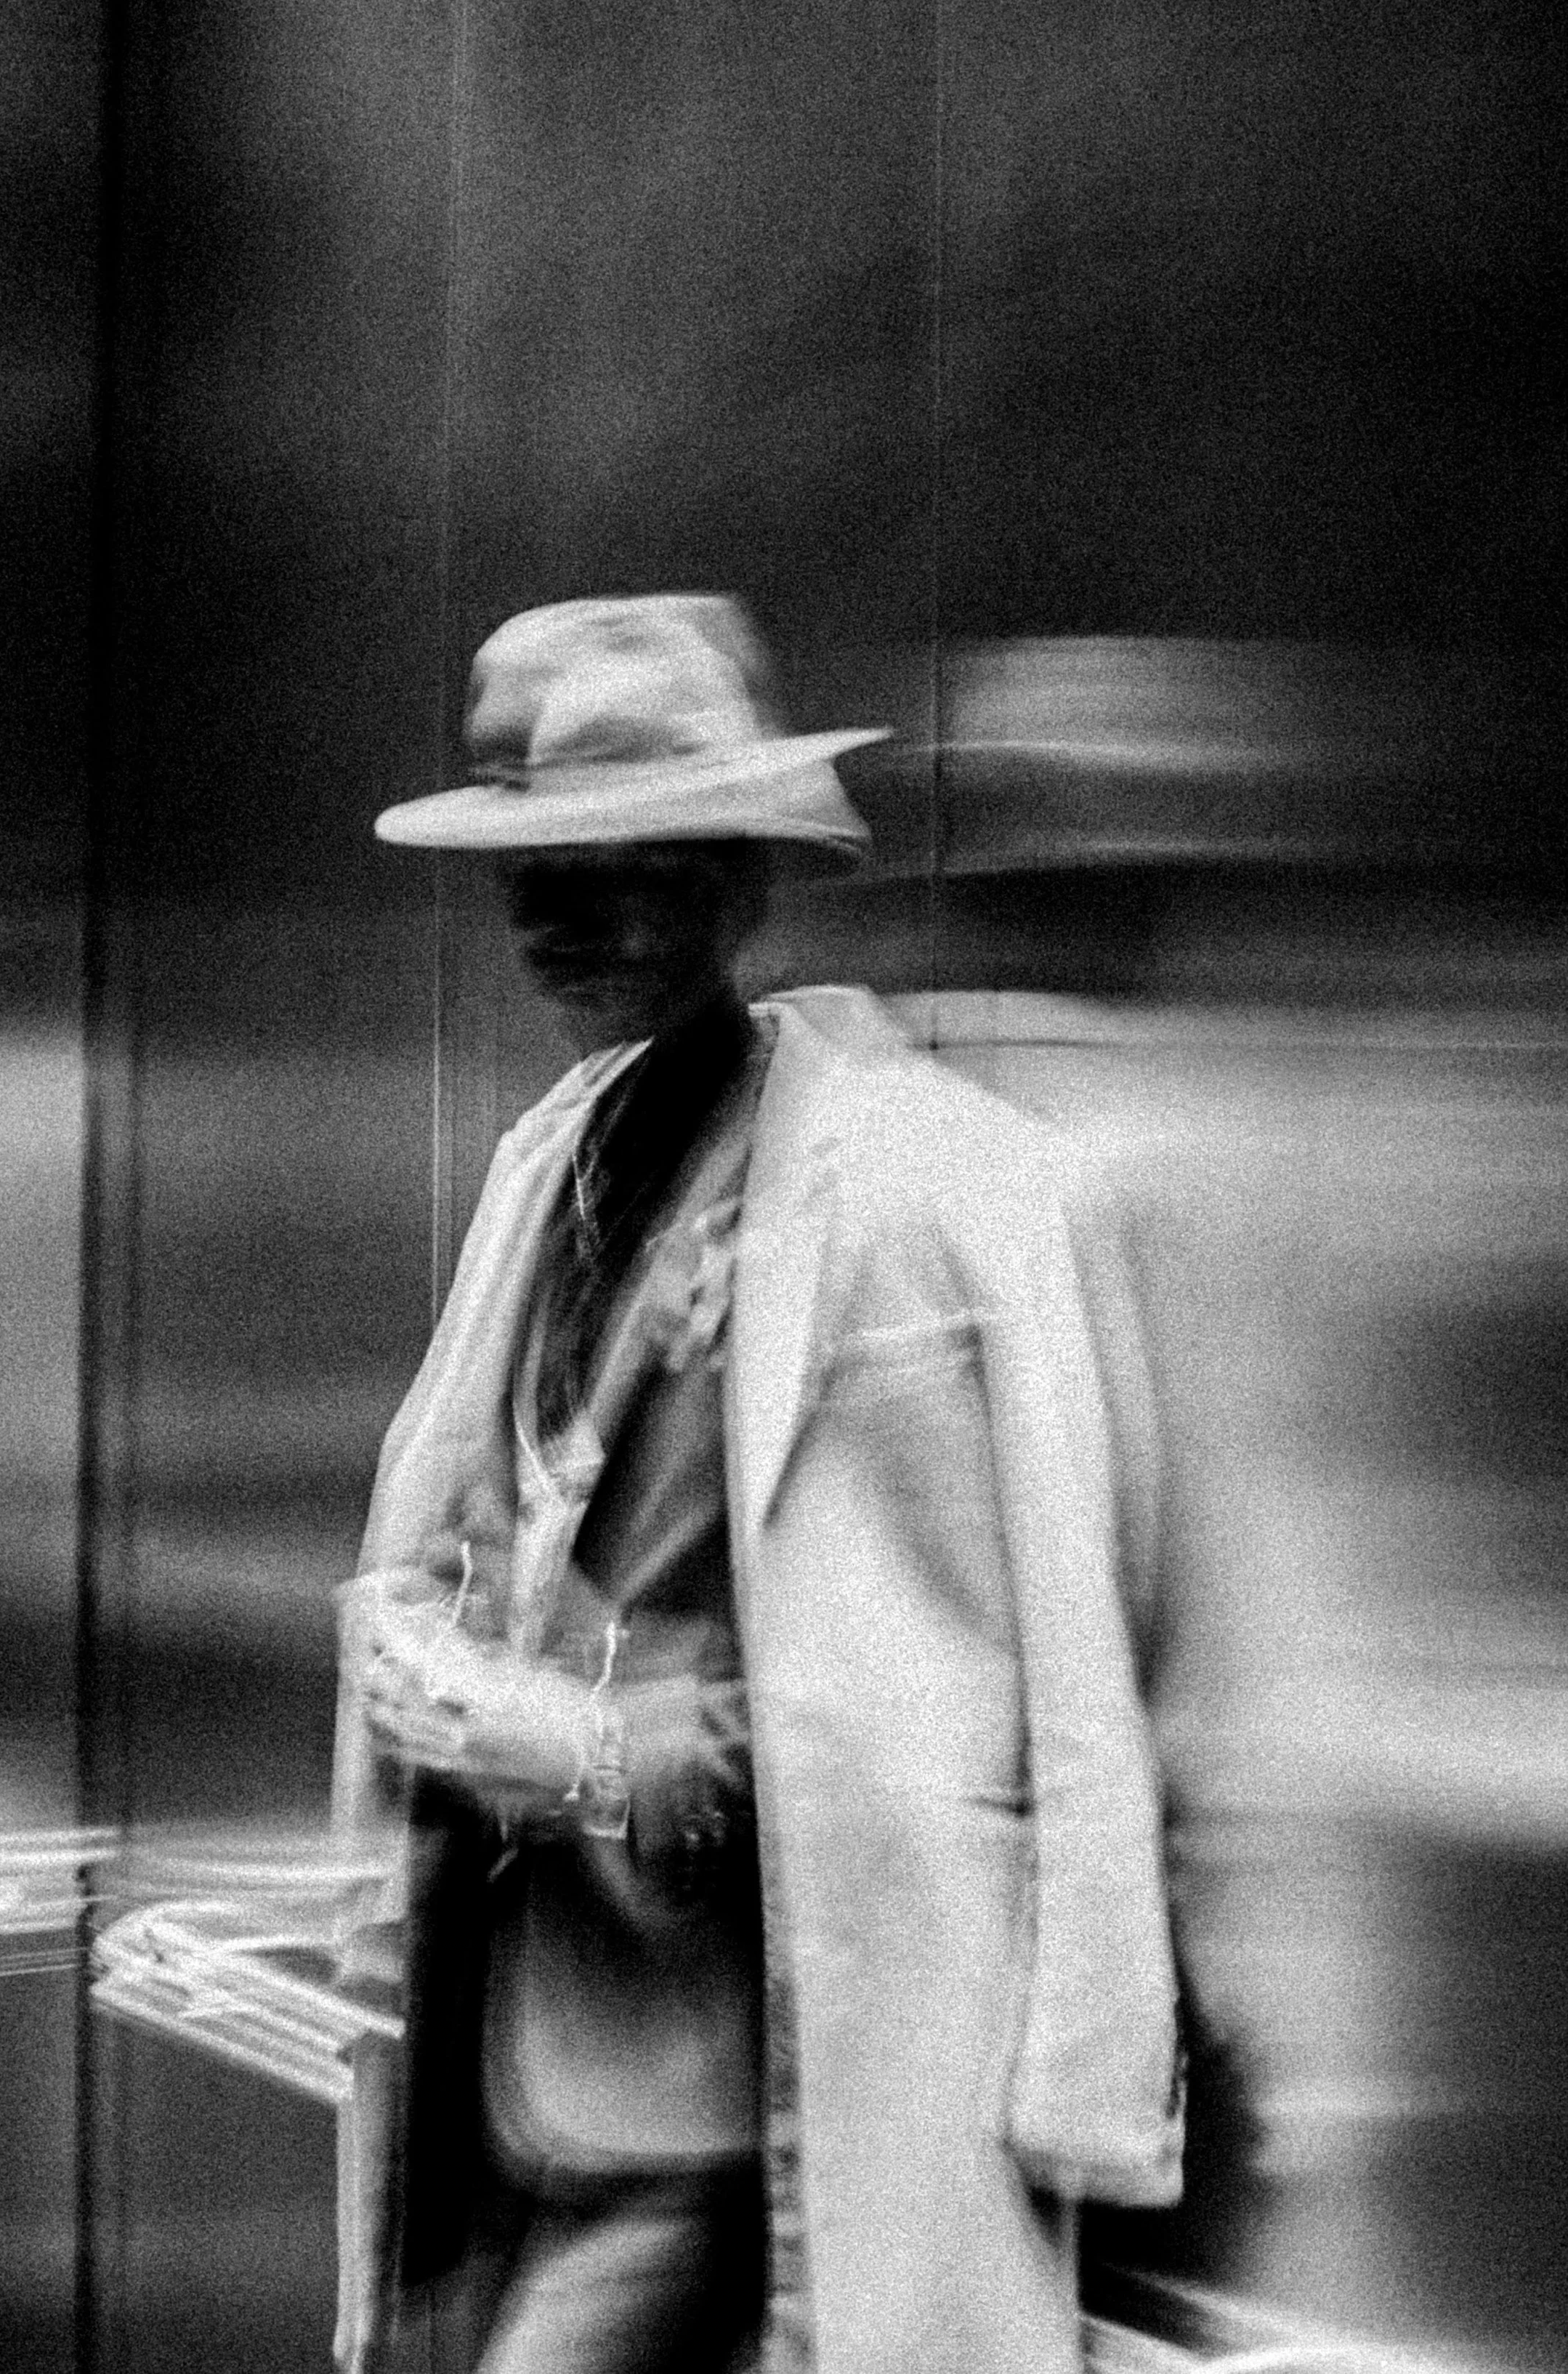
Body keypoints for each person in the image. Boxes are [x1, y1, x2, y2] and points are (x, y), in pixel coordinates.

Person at [331, 594, 1183, 2374]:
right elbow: (485, 1520)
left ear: (736, 881)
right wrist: (433, 1659)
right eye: (524, 868)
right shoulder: (548, 1163)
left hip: (790, 2066)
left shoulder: (937, 1192)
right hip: (541, 2052)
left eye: (614, 862)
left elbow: (996, 1678)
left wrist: (574, 1748)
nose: (551, 915)